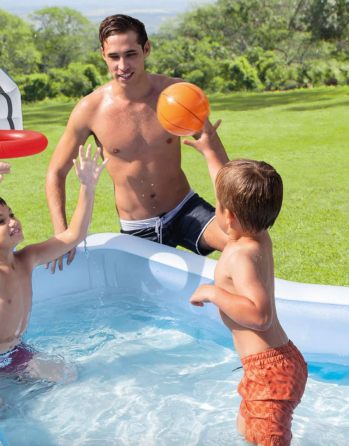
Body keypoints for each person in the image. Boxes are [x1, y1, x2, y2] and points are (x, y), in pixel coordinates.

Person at [45, 14, 230, 272]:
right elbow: (56, 172)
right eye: (114, 57)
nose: (123, 65)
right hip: (138, 229)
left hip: (185, 210)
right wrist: (62, 234)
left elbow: (216, 150)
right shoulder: (90, 109)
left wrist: (235, 207)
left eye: (131, 54)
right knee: (145, 307)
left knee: (240, 242)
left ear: (146, 49)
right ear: (103, 54)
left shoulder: (177, 94)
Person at [0, 145, 108, 413]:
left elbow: (73, 236)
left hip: (13, 353)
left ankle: (17, 380)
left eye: (11, 214)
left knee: (68, 375)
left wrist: (87, 187)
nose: (12, 222)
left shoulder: (26, 259)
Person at [188, 151, 308, 446]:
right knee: (246, 431)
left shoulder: (241, 256)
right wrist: (208, 149)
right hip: (271, 365)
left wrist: (213, 293)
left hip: (269, 373)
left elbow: (259, 314)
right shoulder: (258, 235)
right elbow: (226, 186)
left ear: (228, 215)